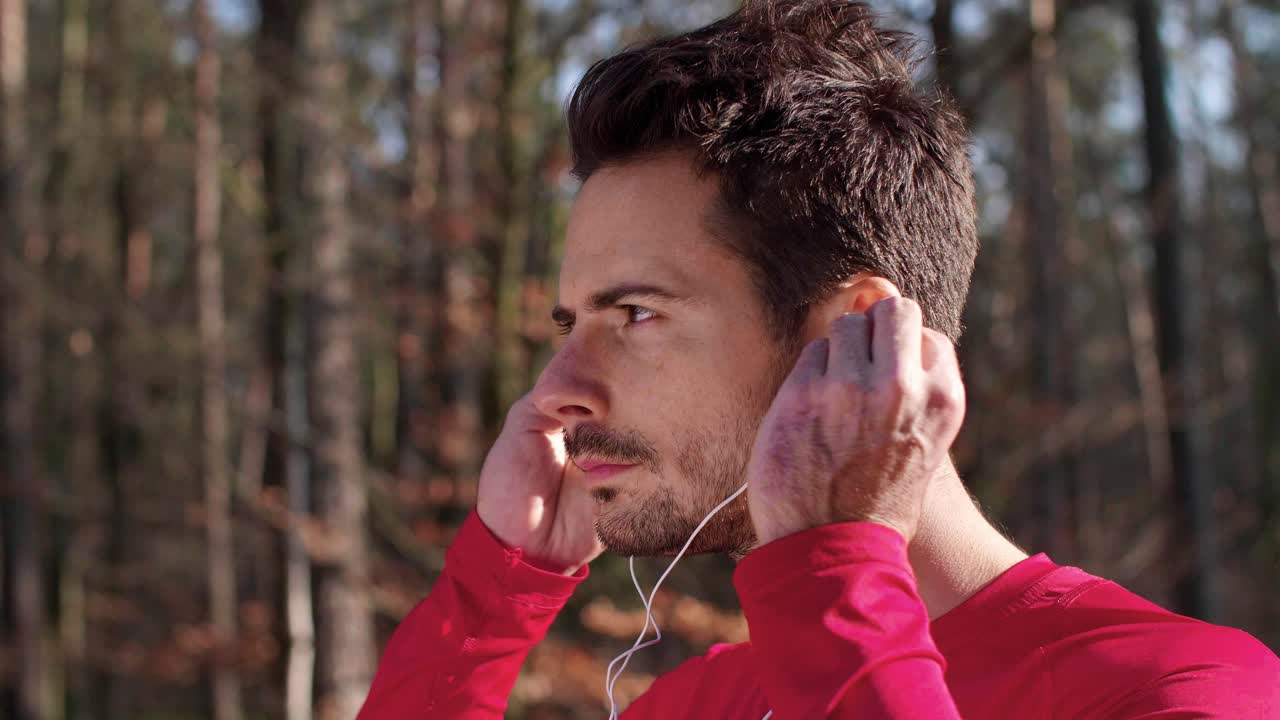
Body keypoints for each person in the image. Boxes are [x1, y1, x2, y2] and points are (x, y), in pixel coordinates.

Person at [356, 1, 1280, 717]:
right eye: (569, 325)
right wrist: (490, 599)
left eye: (635, 314)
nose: (555, 391)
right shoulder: (707, 703)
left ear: (853, 334)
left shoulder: (1187, 692)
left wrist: (834, 570)